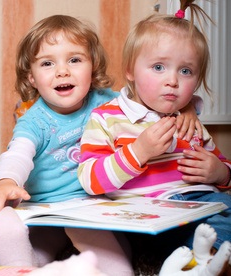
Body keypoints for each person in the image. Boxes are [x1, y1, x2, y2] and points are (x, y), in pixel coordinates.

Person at [0, 15, 201, 276]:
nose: (62, 71)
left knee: (114, 254)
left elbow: (152, 100)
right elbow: (18, 153)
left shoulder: (109, 102)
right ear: (32, 78)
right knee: (40, 249)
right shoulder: (34, 121)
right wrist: (4, 181)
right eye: (47, 63)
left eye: (75, 60)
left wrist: (187, 107)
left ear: (92, 67)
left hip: (94, 207)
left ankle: (86, 268)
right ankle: (21, 262)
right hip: (46, 209)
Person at [77, 1, 231, 272]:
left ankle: (210, 261)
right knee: (206, 231)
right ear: (130, 71)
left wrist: (220, 173)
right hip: (154, 216)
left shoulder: (189, 120)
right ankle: (208, 262)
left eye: (185, 71)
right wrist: (138, 152)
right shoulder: (107, 119)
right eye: (159, 67)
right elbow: (90, 180)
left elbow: (223, 168)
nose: (172, 80)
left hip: (205, 204)